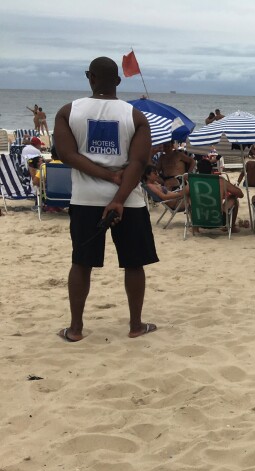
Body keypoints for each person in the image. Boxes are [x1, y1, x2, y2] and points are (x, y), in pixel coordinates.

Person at [53, 56, 157, 342]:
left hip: (86, 198)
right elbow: (137, 162)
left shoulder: (68, 112)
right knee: (134, 263)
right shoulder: (135, 116)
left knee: (81, 262)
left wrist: (104, 176)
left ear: (90, 77)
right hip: (130, 200)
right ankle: (136, 325)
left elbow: (68, 155)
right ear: (119, 82)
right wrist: (119, 196)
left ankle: (75, 329)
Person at [186, 158, 243, 232]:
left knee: (187, 196)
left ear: (198, 170)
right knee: (233, 198)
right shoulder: (220, 181)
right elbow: (240, 194)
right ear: (211, 170)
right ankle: (232, 227)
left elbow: (181, 194)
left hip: (199, 219)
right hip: (218, 220)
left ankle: (195, 228)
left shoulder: (193, 183)